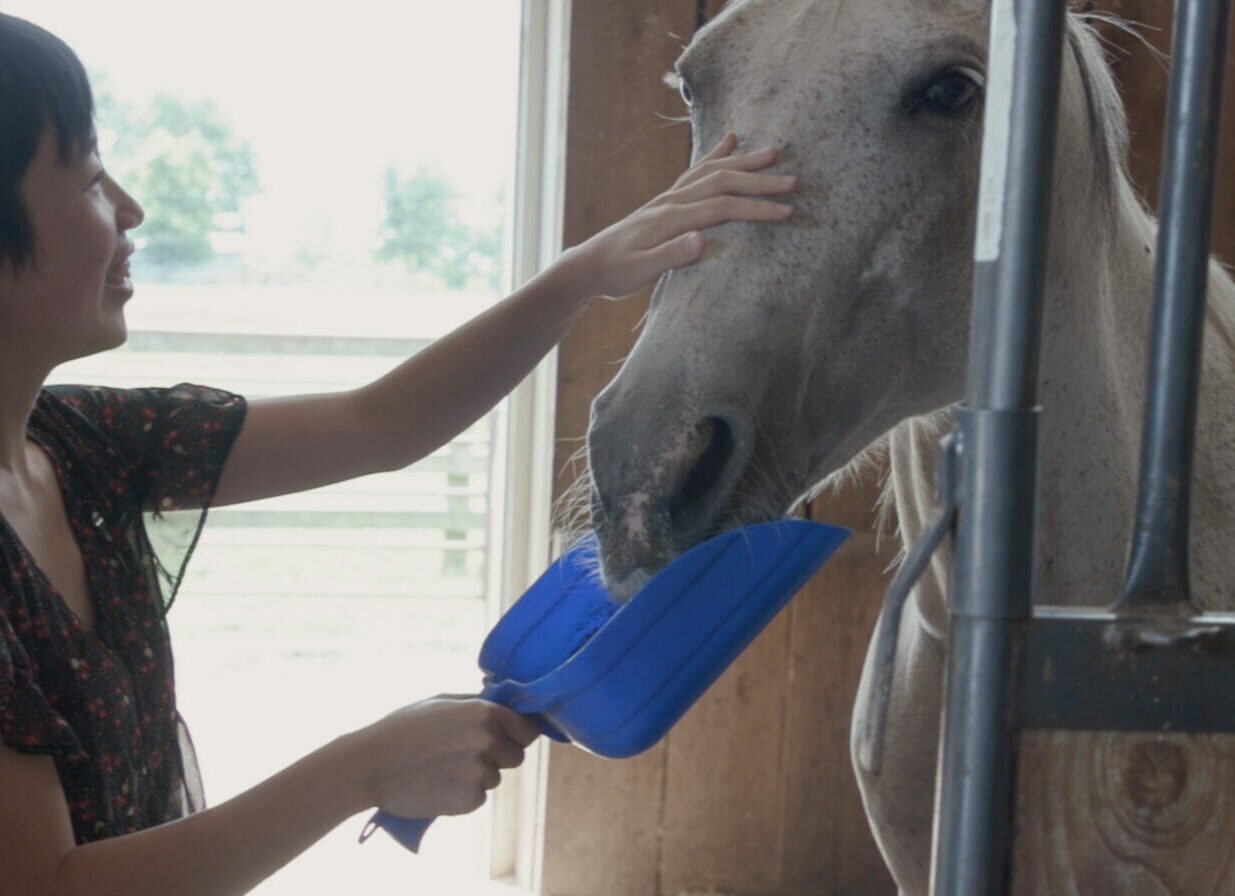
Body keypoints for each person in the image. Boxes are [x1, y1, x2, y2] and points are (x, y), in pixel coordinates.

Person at [0, 11, 796, 896]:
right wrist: (363, 769)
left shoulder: (75, 448)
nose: (129, 208)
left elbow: (378, 426)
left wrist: (583, 272)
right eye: (87, 176)